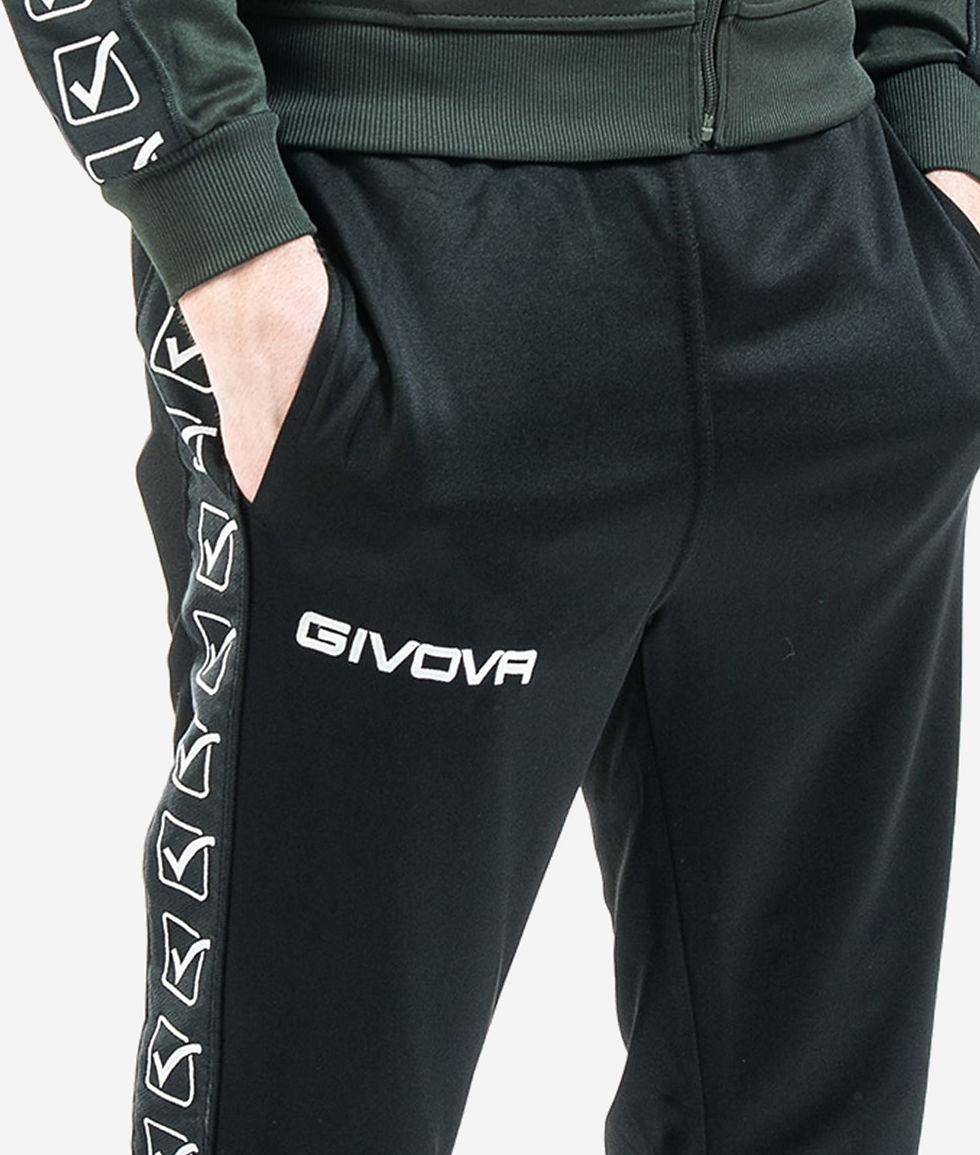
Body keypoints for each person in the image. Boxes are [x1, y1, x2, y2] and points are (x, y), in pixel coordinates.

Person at [2, 0, 979, 1151]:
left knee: (820, 1119)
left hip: (841, 252)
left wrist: (941, 107)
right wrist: (224, 232)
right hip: (396, 257)